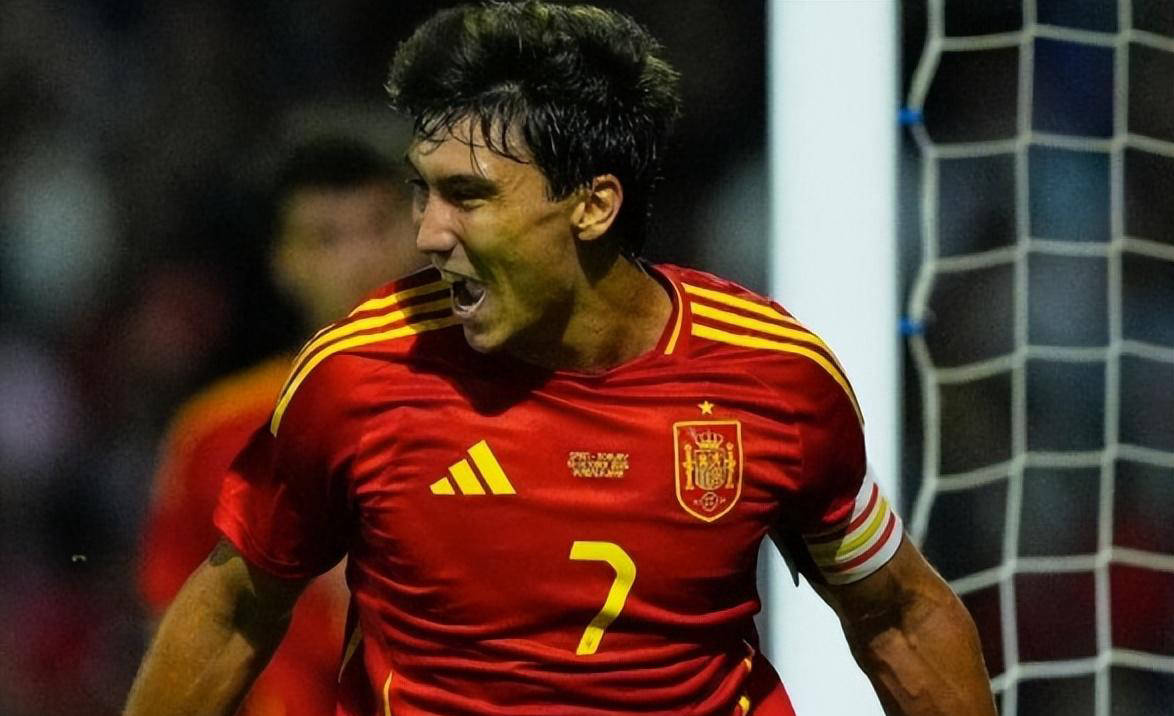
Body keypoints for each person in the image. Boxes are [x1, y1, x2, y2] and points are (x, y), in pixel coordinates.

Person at [125, 3, 996, 714]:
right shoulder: (359, 374)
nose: (428, 234)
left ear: (593, 205)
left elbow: (900, 617)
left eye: (468, 196)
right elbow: (232, 610)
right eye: (424, 192)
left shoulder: (771, 376)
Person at [134, 136, 427, 715]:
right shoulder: (217, 434)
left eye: (380, 227)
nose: (362, 259)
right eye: (327, 239)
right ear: (283, 262)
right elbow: (175, 627)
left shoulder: (489, 406)